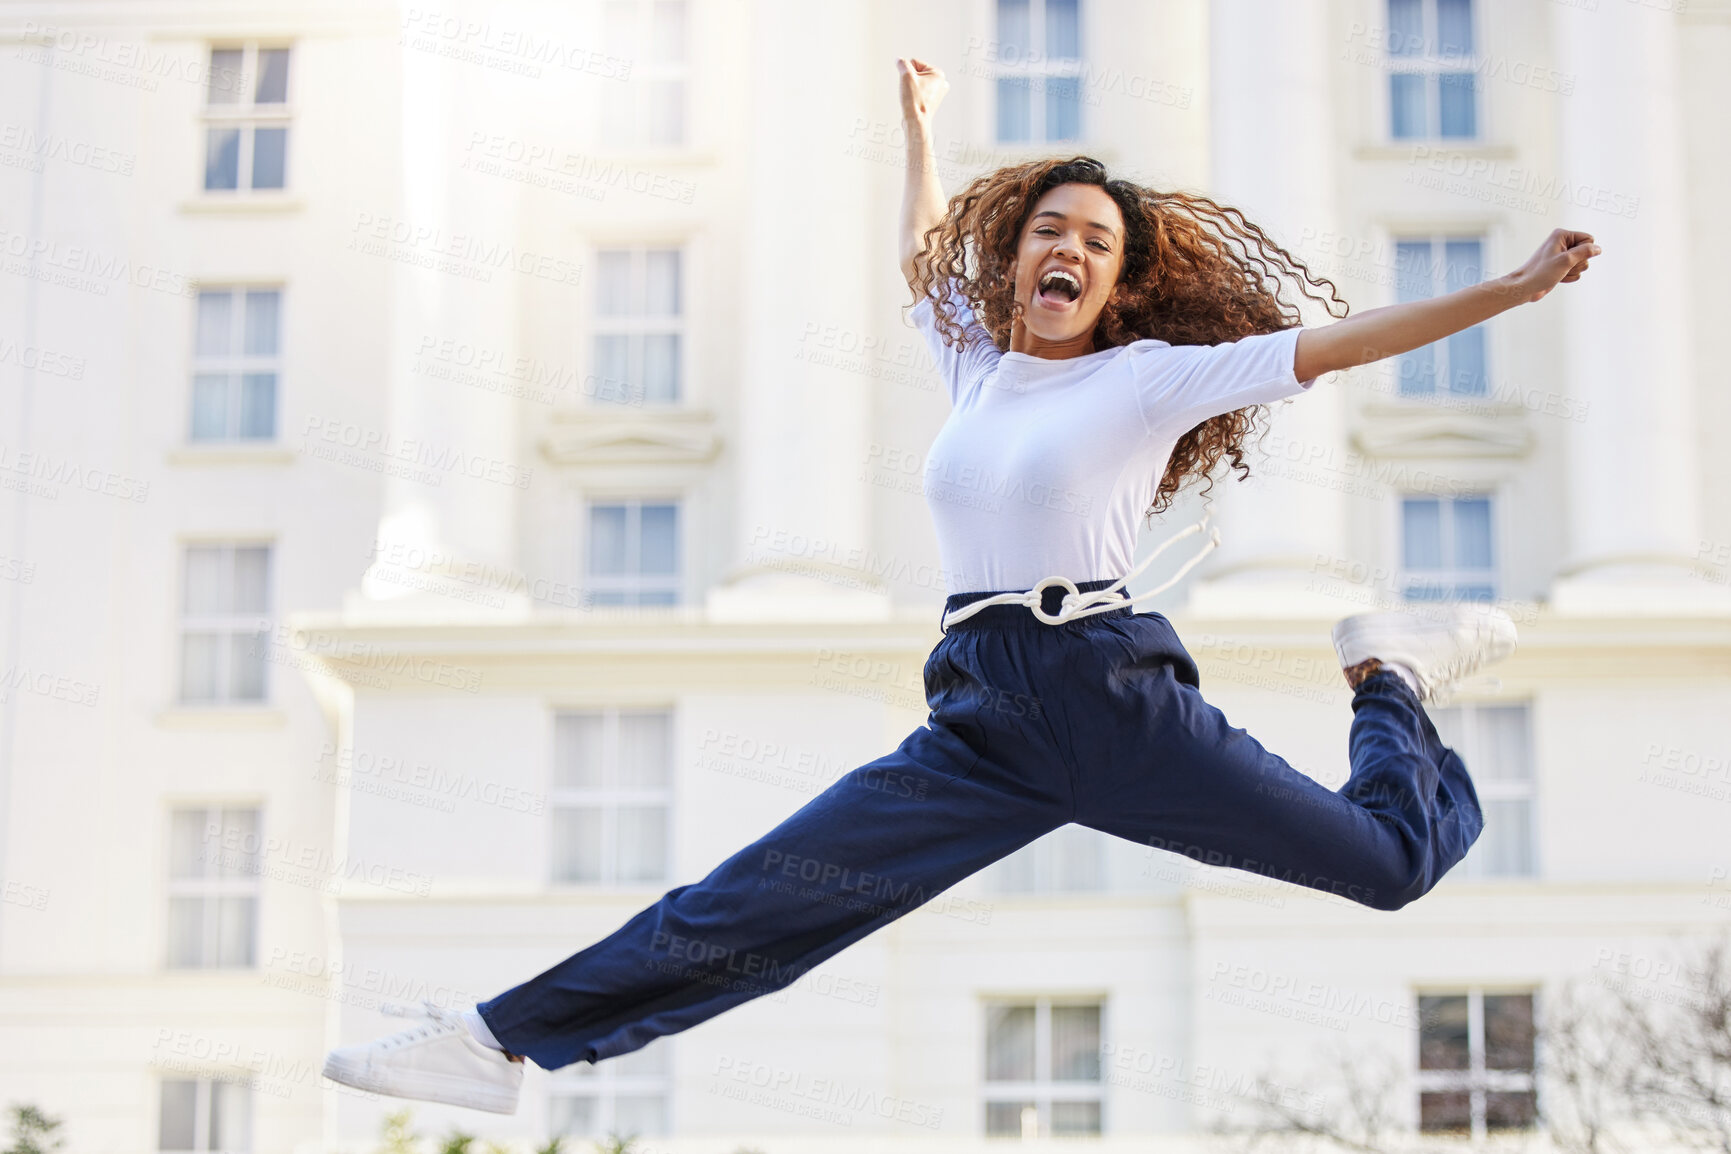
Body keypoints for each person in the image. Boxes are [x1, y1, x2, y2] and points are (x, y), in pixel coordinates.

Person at [321, 57, 1600, 1113]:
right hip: (981, 712)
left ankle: (1388, 672)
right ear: (1019, 253)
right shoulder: (976, 366)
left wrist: (1514, 284)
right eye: (1050, 227)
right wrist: (918, 128)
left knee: (1384, 862)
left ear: (1119, 281)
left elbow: (1342, 341)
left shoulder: (1145, 378)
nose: (1070, 248)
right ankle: (498, 1040)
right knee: (762, 903)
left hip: (1106, 691)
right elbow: (924, 251)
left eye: (1096, 241)